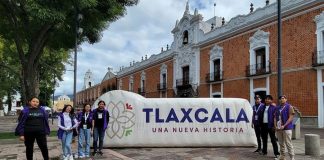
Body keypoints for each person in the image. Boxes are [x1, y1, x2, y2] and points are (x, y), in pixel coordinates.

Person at [274, 95, 295, 160]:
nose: (281, 100)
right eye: (280, 98)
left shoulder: (289, 107)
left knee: (288, 143)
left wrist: (284, 125)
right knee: (281, 143)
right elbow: (275, 117)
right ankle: (282, 156)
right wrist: (275, 126)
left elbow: (291, 117)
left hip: (287, 128)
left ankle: (292, 157)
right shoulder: (277, 108)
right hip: (279, 128)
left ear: (286, 99)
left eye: (283, 98)